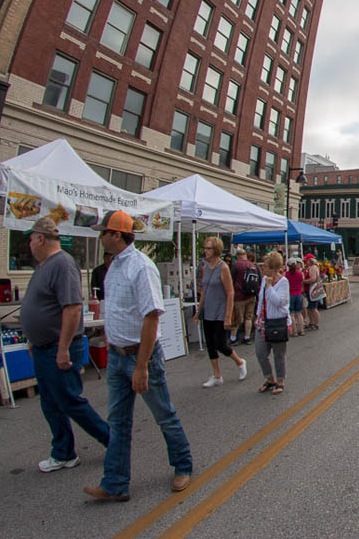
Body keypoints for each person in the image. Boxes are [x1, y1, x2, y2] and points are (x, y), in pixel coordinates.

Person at [84, 211, 192, 501]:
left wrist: (142, 366)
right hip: (118, 355)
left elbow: (152, 317)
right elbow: (118, 310)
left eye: (103, 232)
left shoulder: (141, 267)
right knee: (118, 422)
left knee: (164, 415)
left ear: (116, 235)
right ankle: (115, 483)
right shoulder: (115, 266)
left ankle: (183, 465)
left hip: (140, 356)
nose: (101, 237)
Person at [22, 217, 109, 473]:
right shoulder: (43, 266)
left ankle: (112, 441)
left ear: (40, 238)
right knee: (50, 402)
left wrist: (62, 348)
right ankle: (63, 452)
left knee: (70, 400)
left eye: (30, 239)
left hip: (58, 348)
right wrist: (33, 338)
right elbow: (43, 306)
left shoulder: (62, 263)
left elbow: (72, 309)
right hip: (43, 346)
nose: (29, 245)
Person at [194, 237, 246, 388]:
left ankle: (240, 361)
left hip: (220, 311)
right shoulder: (206, 267)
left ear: (216, 249)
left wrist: (228, 315)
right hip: (208, 310)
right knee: (210, 343)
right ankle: (217, 375)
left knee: (221, 344)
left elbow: (230, 293)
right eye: (205, 248)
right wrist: (199, 310)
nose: (206, 251)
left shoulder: (223, 267)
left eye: (209, 248)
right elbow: (204, 290)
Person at [255, 252, 290, 395]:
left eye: (265, 266)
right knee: (260, 353)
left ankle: (280, 380)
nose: (262, 268)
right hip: (263, 322)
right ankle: (269, 378)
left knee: (278, 354)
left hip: (278, 322)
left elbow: (279, 302)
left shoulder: (283, 282)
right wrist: (257, 316)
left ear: (274, 268)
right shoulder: (264, 280)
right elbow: (261, 299)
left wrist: (269, 287)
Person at [230, 248, 258, 345]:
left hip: (239, 296)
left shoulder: (236, 265)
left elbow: (231, 281)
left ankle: (233, 338)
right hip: (251, 295)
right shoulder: (253, 265)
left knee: (238, 318)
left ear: (237, 256)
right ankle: (247, 337)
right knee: (248, 317)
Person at [285, 258, 305, 336]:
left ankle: (294, 331)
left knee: (292, 314)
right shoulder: (299, 273)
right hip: (299, 294)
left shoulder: (286, 274)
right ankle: (302, 330)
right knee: (299, 313)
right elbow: (301, 282)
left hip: (290, 294)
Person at [302, 254, 322, 330]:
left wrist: (304, 281)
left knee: (313, 308)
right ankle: (312, 323)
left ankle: (315, 323)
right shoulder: (313, 267)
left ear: (310, 261)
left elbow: (313, 279)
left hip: (312, 289)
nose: (306, 262)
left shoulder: (313, 268)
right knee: (310, 308)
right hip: (311, 289)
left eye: (307, 261)